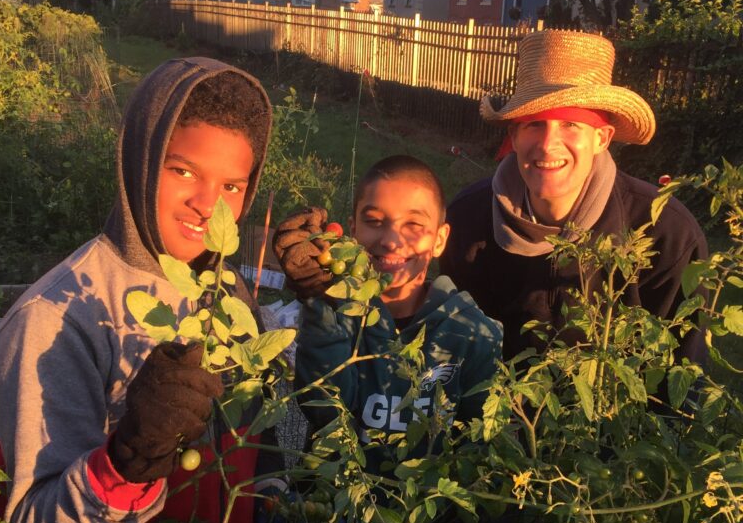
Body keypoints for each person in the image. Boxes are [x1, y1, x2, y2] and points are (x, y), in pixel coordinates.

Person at [0, 57, 278, 523]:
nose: (208, 205)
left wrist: (328, 306)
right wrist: (128, 460)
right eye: (183, 171)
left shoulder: (225, 290)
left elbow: (263, 430)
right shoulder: (56, 320)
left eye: (231, 186)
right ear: (141, 160)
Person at [440, 29, 708, 361]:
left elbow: (679, 377)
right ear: (514, 135)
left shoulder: (664, 233)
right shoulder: (467, 221)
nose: (548, 144)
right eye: (534, 124)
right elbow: (452, 355)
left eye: (571, 124)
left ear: (602, 138)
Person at [273, 155, 503, 467]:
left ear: (440, 239)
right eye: (375, 222)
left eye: (414, 224)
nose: (392, 240)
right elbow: (325, 412)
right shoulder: (338, 311)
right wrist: (318, 302)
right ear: (353, 230)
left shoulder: (473, 335)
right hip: (334, 507)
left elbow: (481, 449)